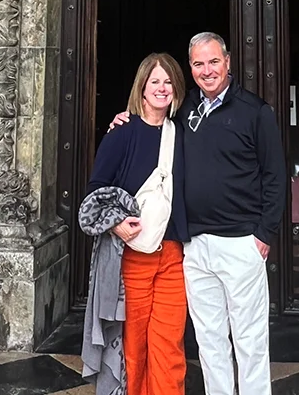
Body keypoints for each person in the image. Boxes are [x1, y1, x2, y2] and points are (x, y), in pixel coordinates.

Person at [111, 32, 287, 395]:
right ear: (190, 68)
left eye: (213, 62)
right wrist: (124, 119)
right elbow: (151, 115)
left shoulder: (255, 111)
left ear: (228, 62)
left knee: (250, 338)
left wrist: (264, 234)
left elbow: (275, 175)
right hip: (195, 246)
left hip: (241, 242)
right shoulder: (185, 108)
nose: (207, 71)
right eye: (198, 64)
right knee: (209, 338)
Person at [87, 52, 189, 395]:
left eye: (168, 81)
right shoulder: (122, 132)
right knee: (133, 344)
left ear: (177, 88)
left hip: (173, 254)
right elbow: (95, 190)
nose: (162, 88)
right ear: (142, 88)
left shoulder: (184, 133)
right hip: (132, 255)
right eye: (155, 81)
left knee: (169, 344)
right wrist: (116, 223)